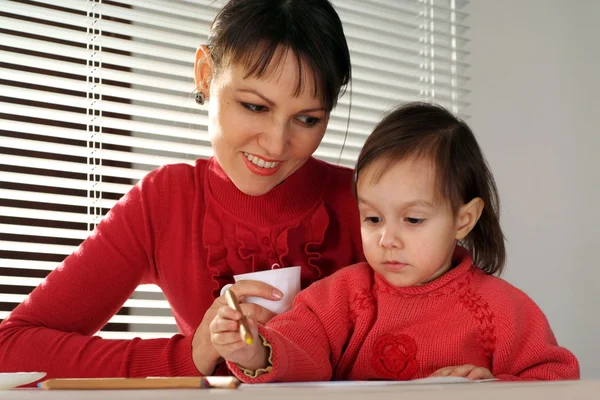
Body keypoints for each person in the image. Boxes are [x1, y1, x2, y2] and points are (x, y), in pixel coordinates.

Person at [0, 0, 364, 379]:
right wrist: (191, 354)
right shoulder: (165, 202)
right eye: (255, 107)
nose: (276, 145)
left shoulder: (367, 203)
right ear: (205, 74)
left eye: (307, 119)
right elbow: (10, 348)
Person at [211, 102, 580, 382]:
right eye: (373, 218)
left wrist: (496, 388)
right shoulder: (344, 295)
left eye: (413, 219)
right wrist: (255, 350)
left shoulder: (502, 309)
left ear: (463, 219)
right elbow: (299, 344)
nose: (387, 239)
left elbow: (556, 380)